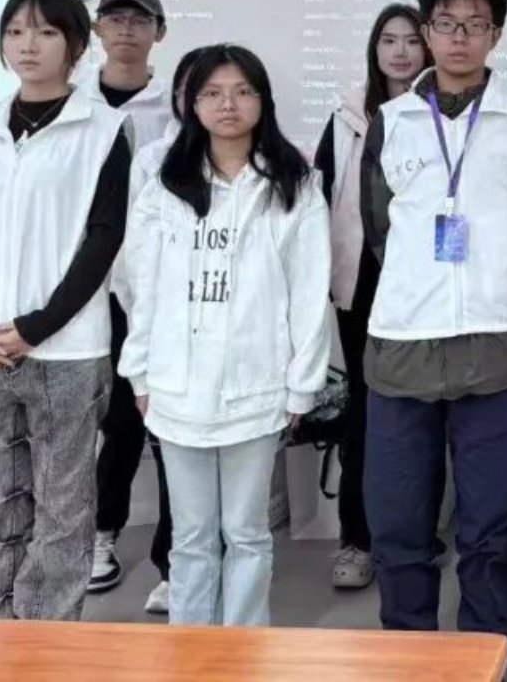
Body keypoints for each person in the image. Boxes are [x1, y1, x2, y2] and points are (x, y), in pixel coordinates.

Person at [360, 0, 507, 636]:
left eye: (476, 25)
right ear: (427, 32)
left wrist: (488, 275)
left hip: (489, 338)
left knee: (490, 522)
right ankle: (408, 652)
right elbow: (379, 227)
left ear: (495, 34)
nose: (460, 38)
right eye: (447, 24)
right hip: (402, 340)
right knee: (399, 521)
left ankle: (484, 651)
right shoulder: (392, 120)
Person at [0, 0, 132, 621]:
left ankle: (47, 640)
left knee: (63, 511)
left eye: (45, 32)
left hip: (65, 352)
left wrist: (36, 327)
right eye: (15, 31)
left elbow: (104, 239)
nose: (28, 44)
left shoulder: (103, 129)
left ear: (75, 45)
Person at [119, 45, 332, 627]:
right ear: (191, 104)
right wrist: (140, 374)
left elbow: (309, 293)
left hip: (255, 386)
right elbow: (140, 285)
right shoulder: (167, 184)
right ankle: (191, 650)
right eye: (211, 93)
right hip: (176, 387)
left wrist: (302, 385)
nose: (227, 105)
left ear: (263, 100)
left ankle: (245, 649)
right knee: (190, 537)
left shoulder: (294, 185)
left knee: (247, 534)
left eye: (242, 91)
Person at [313, 3, 431, 592]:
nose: (401, 51)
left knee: (420, 415)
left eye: (411, 40)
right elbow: (318, 196)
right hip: (360, 281)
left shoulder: (441, 112)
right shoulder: (346, 116)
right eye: (389, 40)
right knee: (364, 414)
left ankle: (415, 536)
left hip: (424, 283)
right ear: (374, 48)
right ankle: (356, 540)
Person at [79, 0, 171, 597]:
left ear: (158, 32)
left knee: (165, 417)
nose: (127, 30)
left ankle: (174, 559)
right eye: (114, 18)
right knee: (114, 418)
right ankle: (101, 530)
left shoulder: (177, 109)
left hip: (158, 286)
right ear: (97, 29)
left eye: (140, 20)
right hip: (88, 287)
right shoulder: (73, 103)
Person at [115, 45, 206, 616]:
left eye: (230, 91)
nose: (214, 102)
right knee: (175, 457)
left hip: (228, 333)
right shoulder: (152, 160)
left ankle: (216, 568)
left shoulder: (260, 163)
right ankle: (172, 568)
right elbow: (131, 254)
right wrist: (144, 326)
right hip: (170, 331)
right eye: (199, 90)